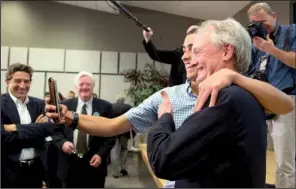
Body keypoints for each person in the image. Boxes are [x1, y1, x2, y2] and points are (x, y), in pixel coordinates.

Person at [45, 25, 294, 188]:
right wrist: (72, 118)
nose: (187, 56)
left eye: (194, 49)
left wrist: (234, 77)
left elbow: (285, 105)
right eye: (185, 50)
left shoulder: (234, 94)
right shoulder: (168, 96)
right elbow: (112, 125)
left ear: (224, 51)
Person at [147, 18, 267, 188]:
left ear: (226, 51)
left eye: (198, 52)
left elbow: (162, 160)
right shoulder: (246, 95)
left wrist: (164, 117)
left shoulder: (224, 101)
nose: (192, 61)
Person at [246, 2, 296, 188]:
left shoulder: (291, 32)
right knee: (259, 156)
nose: (261, 27)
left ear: (274, 15)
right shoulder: (255, 43)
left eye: (264, 22)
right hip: (260, 103)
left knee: (285, 161)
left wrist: (271, 49)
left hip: (285, 100)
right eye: (256, 24)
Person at [51, 71, 115, 188]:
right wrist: (62, 143)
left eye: (88, 84)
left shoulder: (106, 107)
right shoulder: (64, 105)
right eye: (81, 84)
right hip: (68, 165)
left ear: (93, 86)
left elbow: (111, 135)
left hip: (95, 165)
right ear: (76, 87)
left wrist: (101, 154)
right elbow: (55, 131)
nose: (84, 87)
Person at [1, 63, 56, 188]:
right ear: (7, 82)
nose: (22, 85)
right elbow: (2, 136)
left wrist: (14, 128)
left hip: (36, 170)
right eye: (18, 81)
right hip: (8, 170)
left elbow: (50, 128)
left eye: (26, 81)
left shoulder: (40, 104)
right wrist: (36, 128)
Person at [111, 94, 134, 178]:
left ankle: (115, 172)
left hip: (113, 132)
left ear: (117, 100)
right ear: (123, 100)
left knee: (114, 152)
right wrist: (133, 133)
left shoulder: (111, 106)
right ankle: (123, 168)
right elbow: (132, 120)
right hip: (125, 132)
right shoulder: (129, 107)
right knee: (124, 150)